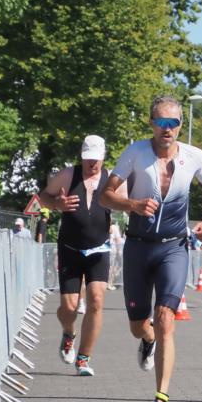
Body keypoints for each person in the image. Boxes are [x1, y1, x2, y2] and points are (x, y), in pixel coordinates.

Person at [100, 95, 202, 402]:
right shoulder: (135, 153)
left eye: (174, 123)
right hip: (137, 247)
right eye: (161, 123)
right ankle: (146, 341)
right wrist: (132, 205)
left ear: (180, 124)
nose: (168, 129)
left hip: (173, 248)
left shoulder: (194, 156)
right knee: (139, 324)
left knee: (166, 317)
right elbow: (106, 195)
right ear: (151, 123)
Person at [39, 135, 124, 377]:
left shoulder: (111, 179)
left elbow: (127, 202)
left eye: (96, 159)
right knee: (69, 308)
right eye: (88, 159)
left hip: (99, 248)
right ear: (81, 156)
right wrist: (58, 204)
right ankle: (69, 333)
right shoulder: (68, 174)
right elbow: (43, 197)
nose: (92, 164)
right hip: (70, 248)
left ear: (103, 157)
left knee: (96, 300)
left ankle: (84, 358)